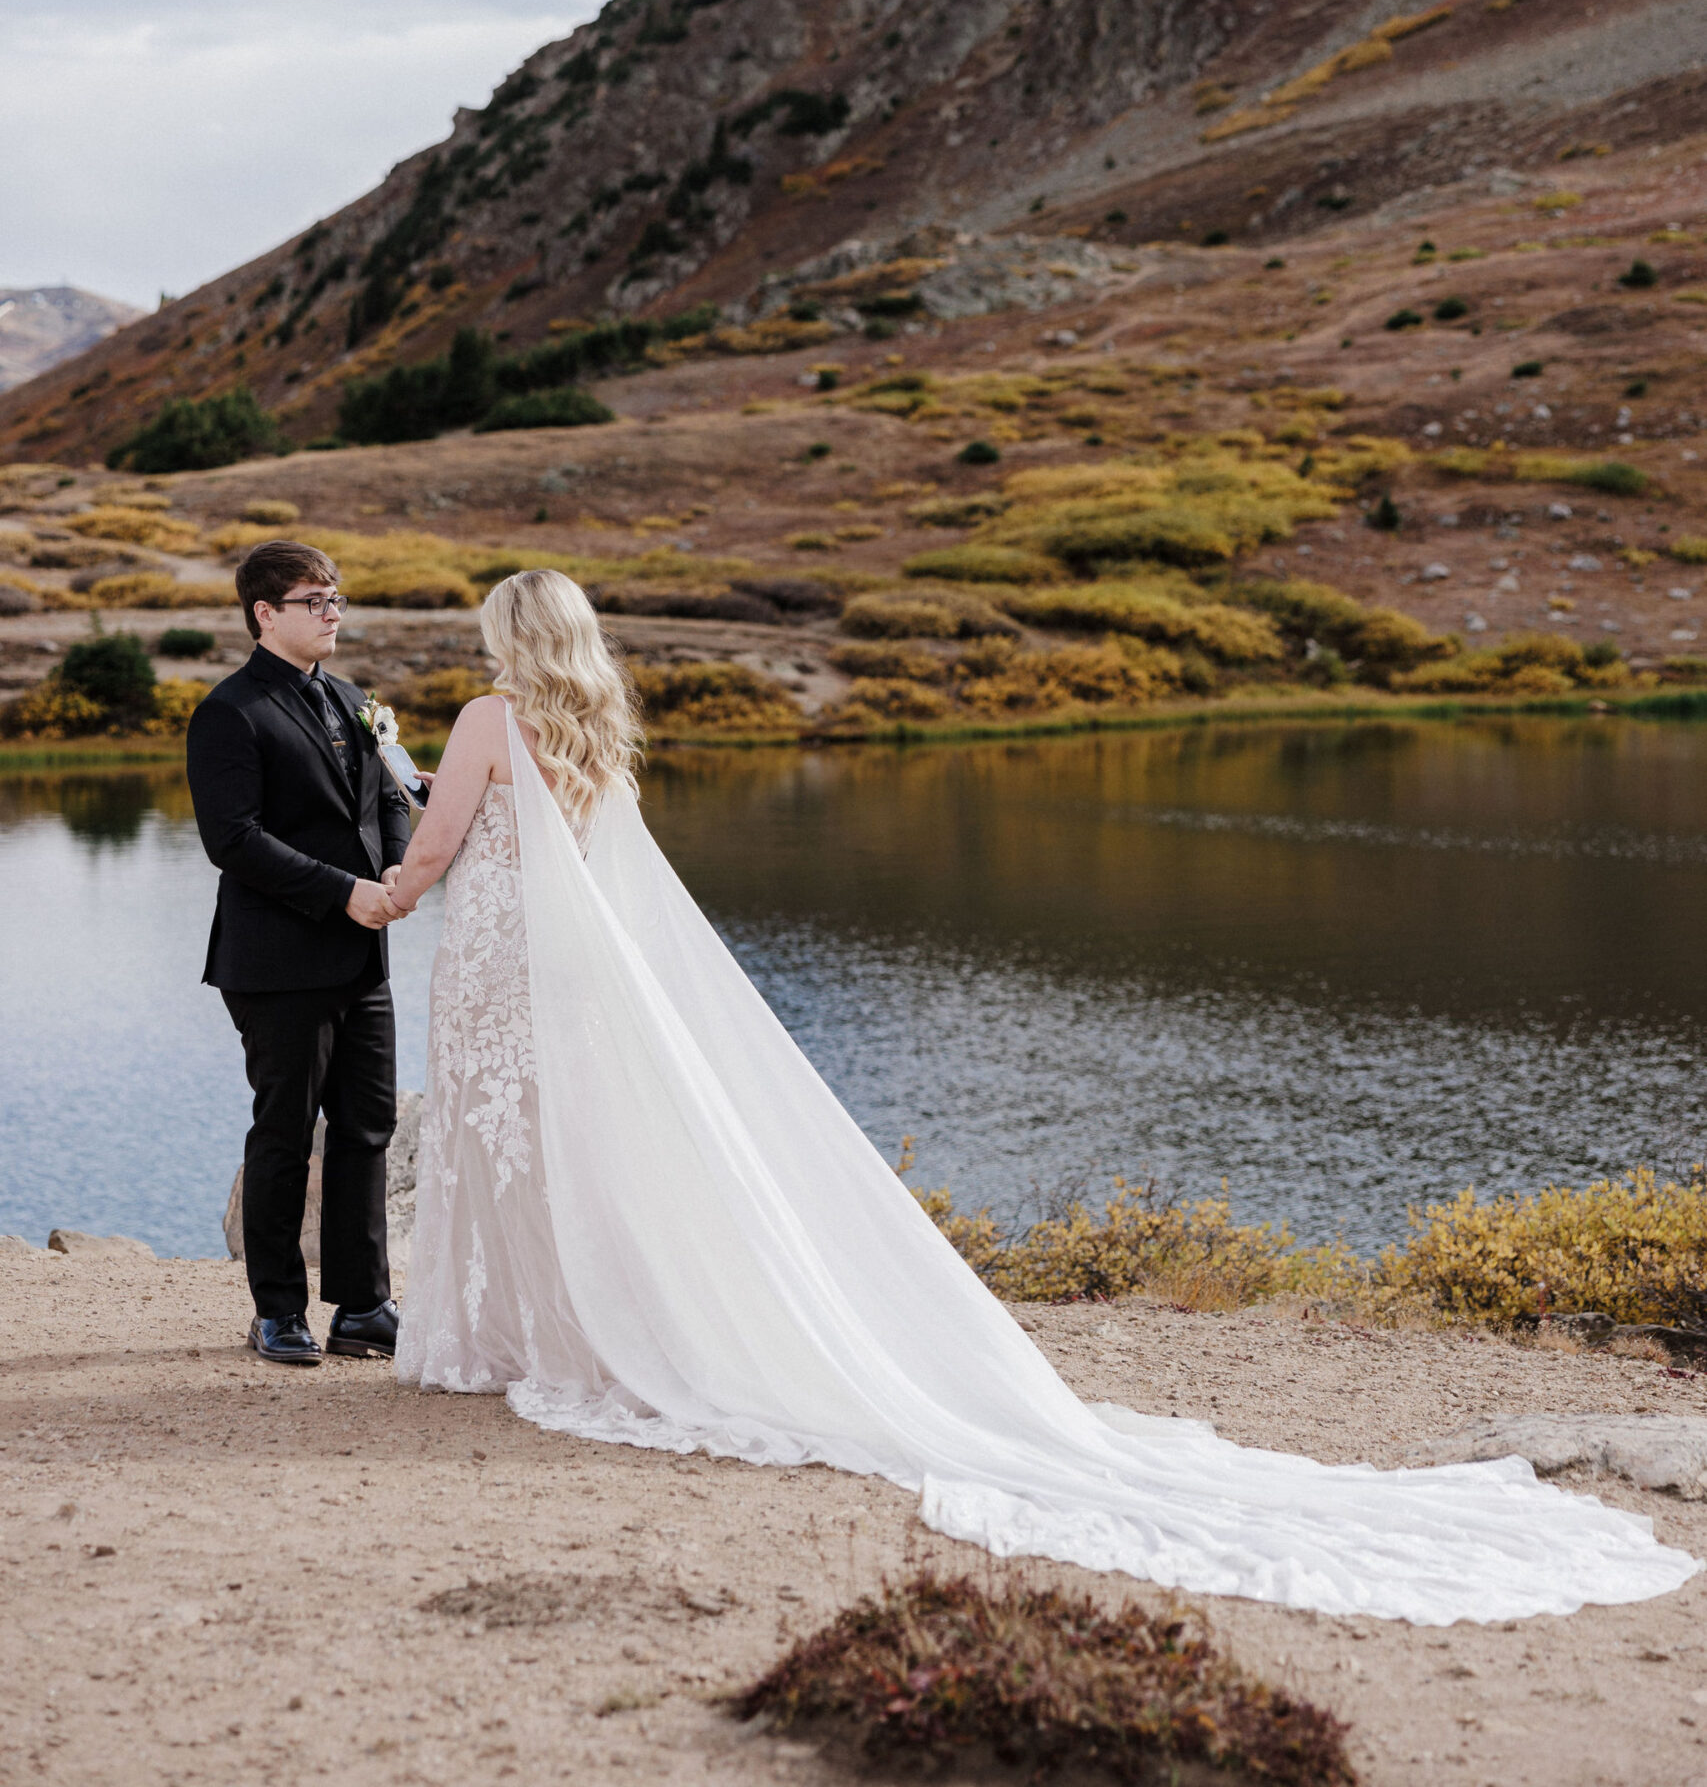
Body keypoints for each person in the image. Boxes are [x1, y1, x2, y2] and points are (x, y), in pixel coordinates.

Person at [390, 568, 1699, 1623]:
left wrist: (376, 885)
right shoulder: (594, 732)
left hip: (505, 977)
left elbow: (443, 845)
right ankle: (564, 1335)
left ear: (509, 637)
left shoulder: (485, 721)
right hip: (579, 982)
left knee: (514, 1154)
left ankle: (516, 1339)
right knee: (577, 1150)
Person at [187, 540, 409, 1367]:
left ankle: (363, 1306)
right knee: (286, 1129)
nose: (332, 613)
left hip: (362, 954)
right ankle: (277, 1311)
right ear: (264, 614)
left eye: (336, 598)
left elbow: (388, 797)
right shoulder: (229, 712)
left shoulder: (355, 698)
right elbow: (232, 841)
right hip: (276, 960)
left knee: (367, 1126)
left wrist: (391, 865)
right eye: (314, 600)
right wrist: (342, 892)